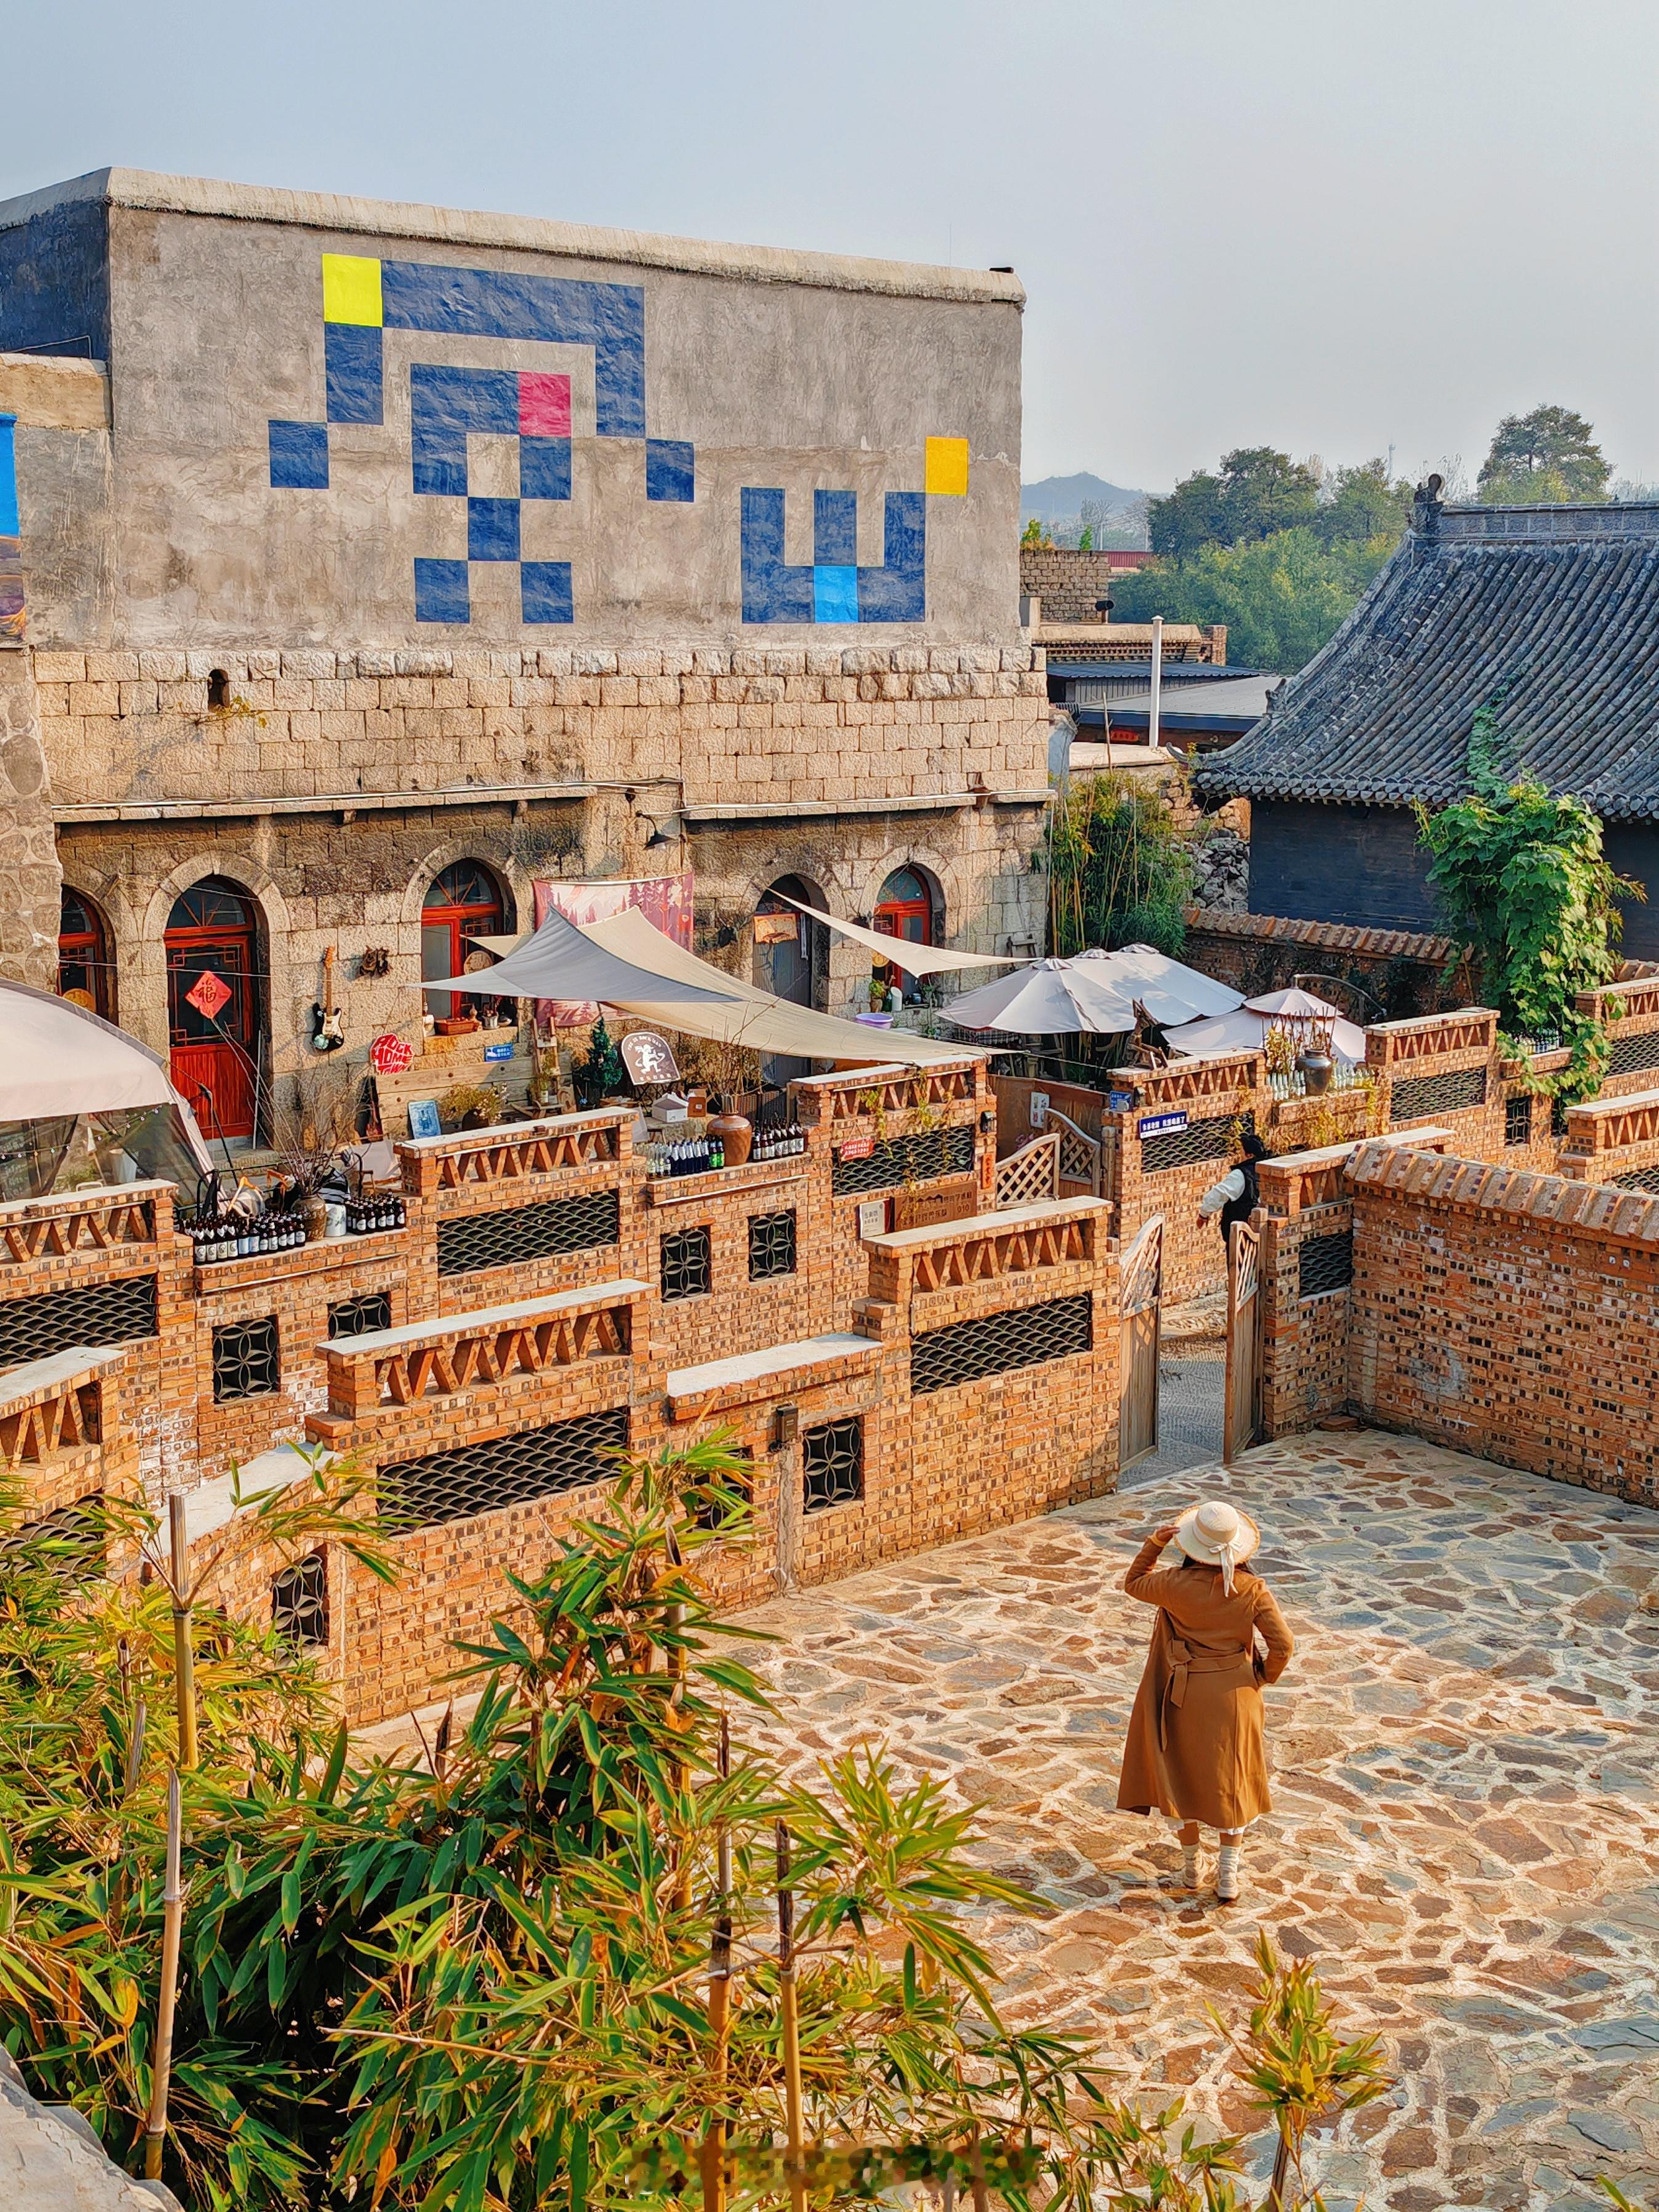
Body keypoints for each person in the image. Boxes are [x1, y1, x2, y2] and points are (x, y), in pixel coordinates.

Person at [1115, 1498, 1294, 1902]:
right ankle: (1228, 1875)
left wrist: (1154, 1543)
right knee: (1233, 1783)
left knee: (1183, 1782)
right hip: (1234, 1696)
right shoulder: (1251, 1590)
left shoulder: (1171, 1586)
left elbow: (1132, 1582)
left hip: (1182, 1694)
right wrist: (1262, 1676)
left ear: (1191, 1546)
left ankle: (1191, 1867)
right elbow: (1283, 1644)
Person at [1196, 1129, 1270, 1241]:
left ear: (1249, 1155)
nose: (1239, 1153)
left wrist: (1204, 1214)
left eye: (1241, 1150)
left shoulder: (1241, 1175)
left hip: (1241, 1234)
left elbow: (1219, 1194)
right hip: (1263, 1232)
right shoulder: (1267, 1170)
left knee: (1237, 1258)